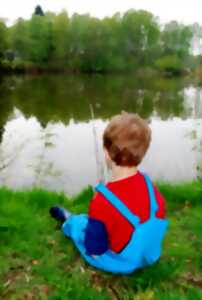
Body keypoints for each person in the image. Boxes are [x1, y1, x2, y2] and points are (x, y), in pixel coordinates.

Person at [50, 112, 168, 274]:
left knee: (81, 225)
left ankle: (67, 221)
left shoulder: (102, 200)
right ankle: (77, 221)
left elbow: (95, 249)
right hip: (149, 255)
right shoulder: (150, 187)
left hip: (121, 262)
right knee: (98, 221)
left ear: (106, 153)